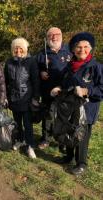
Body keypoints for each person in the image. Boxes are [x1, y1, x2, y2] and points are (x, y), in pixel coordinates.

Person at [51, 32, 103, 175]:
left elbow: (101, 89)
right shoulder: (69, 67)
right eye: (78, 47)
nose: (82, 50)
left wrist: (87, 90)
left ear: (91, 49)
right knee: (69, 131)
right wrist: (59, 88)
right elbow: (64, 83)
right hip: (69, 108)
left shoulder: (96, 67)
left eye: (86, 47)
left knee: (81, 136)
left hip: (86, 110)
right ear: (73, 50)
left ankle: (81, 163)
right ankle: (68, 157)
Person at [36, 27, 72, 149]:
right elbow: (35, 69)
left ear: (61, 36)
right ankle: (45, 138)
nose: (54, 37)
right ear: (47, 38)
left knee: (64, 116)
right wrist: (41, 72)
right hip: (48, 90)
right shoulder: (42, 53)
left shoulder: (69, 50)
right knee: (48, 115)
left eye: (56, 34)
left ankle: (62, 141)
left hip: (65, 90)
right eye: (51, 35)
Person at [4, 37, 40, 159]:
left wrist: (36, 97)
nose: (18, 51)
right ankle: (20, 139)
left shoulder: (31, 61)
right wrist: (5, 96)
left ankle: (30, 145)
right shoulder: (9, 62)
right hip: (13, 98)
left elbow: (35, 80)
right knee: (17, 123)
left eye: (20, 48)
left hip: (27, 98)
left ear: (25, 49)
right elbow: (5, 80)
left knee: (28, 124)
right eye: (15, 48)